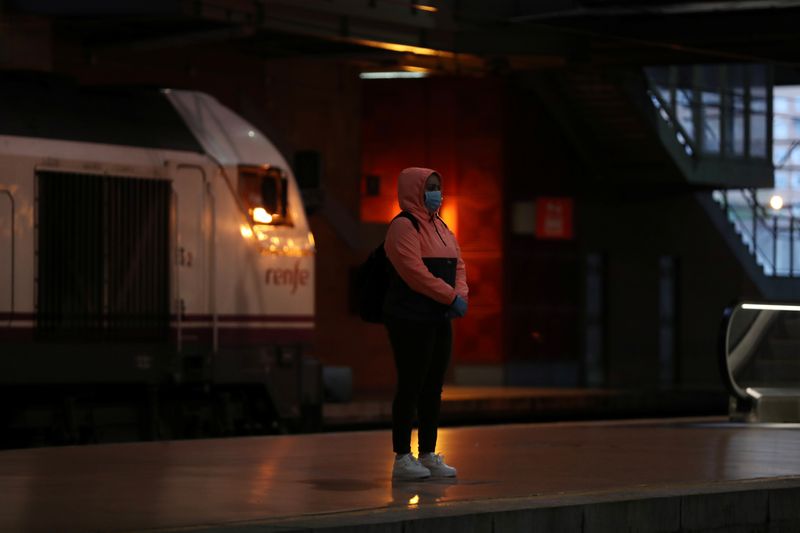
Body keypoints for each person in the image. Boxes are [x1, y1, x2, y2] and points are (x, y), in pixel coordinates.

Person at [383, 167, 468, 480]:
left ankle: (428, 453)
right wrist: (451, 298)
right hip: (410, 318)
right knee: (411, 384)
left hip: (438, 317)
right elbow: (414, 274)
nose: (436, 194)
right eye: (429, 187)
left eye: (438, 187)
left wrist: (461, 294)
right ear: (414, 189)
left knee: (433, 386)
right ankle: (402, 457)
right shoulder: (403, 227)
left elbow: (459, 264)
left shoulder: (442, 227)